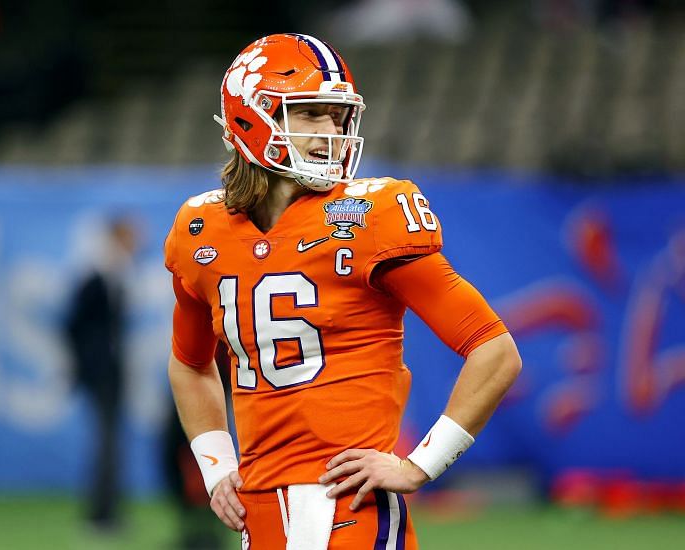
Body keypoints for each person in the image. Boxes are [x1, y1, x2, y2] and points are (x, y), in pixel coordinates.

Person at [164, 33, 521, 549]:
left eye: (337, 116)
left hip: (349, 504)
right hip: (257, 510)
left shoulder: (370, 217)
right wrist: (217, 463)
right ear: (251, 118)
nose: (330, 130)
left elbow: (495, 349)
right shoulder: (202, 228)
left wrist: (419, 464)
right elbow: (190, 362)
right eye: (310, 113)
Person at [64, 217, 137, 532]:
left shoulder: (117, 274)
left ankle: (107, 509)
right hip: (101, 373)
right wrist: (86, 364)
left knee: (111, 443)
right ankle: (101, 513)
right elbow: (74, 324)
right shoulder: (97, 275)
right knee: (107, 444)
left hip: (113, 372)